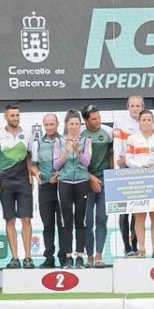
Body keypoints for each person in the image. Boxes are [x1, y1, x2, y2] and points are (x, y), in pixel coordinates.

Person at [0, 104, 36, 269]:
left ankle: (28, 257)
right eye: (12, 115)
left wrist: (30, 174)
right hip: (5, 181)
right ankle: (15, 257)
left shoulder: (28, 134)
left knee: (26, 219)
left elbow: (30, 157)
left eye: (17, 115)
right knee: (10, 220)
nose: (15, 118)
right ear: (6, 117)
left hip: (23, 181)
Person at [54, 110, 93, 268]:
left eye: (77, 124)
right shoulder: (59, 142)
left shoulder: (86, 141)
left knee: (80, 220)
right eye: (71, 124)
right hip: (64, 183)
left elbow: (87, 163)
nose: (74, 127)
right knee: (66, 220)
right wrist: (66, 152)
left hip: (82, 182)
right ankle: (68, 256)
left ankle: (79, 256)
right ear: (66, 125)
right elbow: (55, 165)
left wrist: (77, 150)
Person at [125, 109, 154, 258]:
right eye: (144, 120)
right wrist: (141, 168)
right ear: (139, 122)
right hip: (139, 180)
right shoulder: (132, 139)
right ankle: (141, 249)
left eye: (149, 119)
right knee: (139, 215)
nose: (146, 122)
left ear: (153, 122)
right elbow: (128, 159)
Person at [81, 104, 113, 268]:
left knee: (102, 218)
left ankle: (99, 256)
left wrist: (112, 177)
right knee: (88, 220)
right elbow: (75, 161)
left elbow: (111, 154)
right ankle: (89, 257)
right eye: (93, 119)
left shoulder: (108, 132)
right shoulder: (80, 134)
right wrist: (89, 177)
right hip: (85, 182)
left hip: (105, 181)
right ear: (86, 120)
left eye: (99, 117)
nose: (98, 121)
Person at [113, 95, 144, 256]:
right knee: (124, 211)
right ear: (128, 107)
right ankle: (126, 246)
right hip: (124, 171)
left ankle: (135, 244)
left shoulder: (147, 122)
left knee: (137, 211)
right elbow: (118, 149)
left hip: (140, 172)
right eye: (132, 106)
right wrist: (118, 171)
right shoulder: (121, 123)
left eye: (138, 106)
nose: (135, 109)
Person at [33, 114, 63, 268]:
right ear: (43, 125)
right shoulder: (37, 143)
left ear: (57, 124)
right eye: (47, 125)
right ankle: (49, 257)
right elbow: (33, 164)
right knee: (48, 225)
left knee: (63, 224)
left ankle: (64, 256)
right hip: (45, 187)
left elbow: (70, 162)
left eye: (52, 124)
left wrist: (60, 175)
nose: (50, 127)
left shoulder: (64, 141)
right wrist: (36, 173)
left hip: (63, 186)